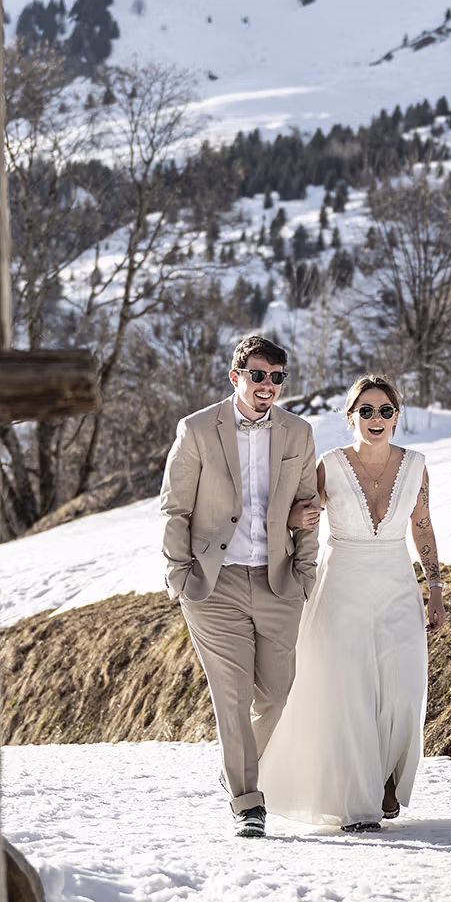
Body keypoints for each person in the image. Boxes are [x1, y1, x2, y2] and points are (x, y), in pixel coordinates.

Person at [259, 374, 445, 831]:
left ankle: (386, 777)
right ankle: (358, 802)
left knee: (402, 689)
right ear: (350, 417)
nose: (376, 418)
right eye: (366, 410)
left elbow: (422, 527)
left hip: (398, 584)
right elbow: (304, 515)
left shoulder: (417, 466)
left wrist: (435, 589)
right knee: (351, 692)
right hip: (341, 582)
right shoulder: (330, 464)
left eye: (385, 410)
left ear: (397, 417)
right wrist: (295, 517)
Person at [159, 334, 322, 838]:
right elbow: (174, 508)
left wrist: (305, 576)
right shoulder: (197, 430)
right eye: (258, 375)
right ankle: (247, 800)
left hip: (278, 582)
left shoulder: (298, 433)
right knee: (229, 697)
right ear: (236, 378)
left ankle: (237, 764)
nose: (267, 385)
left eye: (276, 377)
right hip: (214, 585)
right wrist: (179, 576)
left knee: (277, 696)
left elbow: (308, 511)